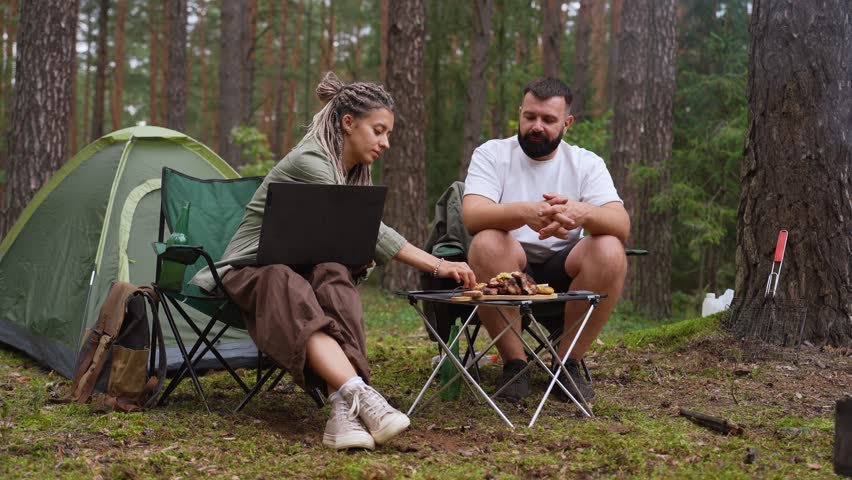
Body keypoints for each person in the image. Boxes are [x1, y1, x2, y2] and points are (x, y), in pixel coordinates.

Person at [192, 72, 476, 450]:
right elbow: (372, 231)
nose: (385, 142)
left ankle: (343, 410)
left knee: (334, 274)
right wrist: (437, 265)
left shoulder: (353, 173)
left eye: (388, 133)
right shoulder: (312, 159)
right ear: (348, 122)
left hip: (301, 270)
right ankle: (359, 393)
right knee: (284, 278)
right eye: (378, 131)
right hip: (251, 270)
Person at [462, 77, 629, 404]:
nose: (536, 126)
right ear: (520, 113)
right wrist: (526, 212)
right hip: (510, 267)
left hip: (566, 270)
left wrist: (582, 213)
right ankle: (515, 364)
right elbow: (473, 216)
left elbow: (620, 223)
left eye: (548, 120)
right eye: (530, 117)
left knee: (610, 248)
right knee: (486, 242)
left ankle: (567, 364)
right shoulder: (493, 154)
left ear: (567, 123)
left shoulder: (586, 162)